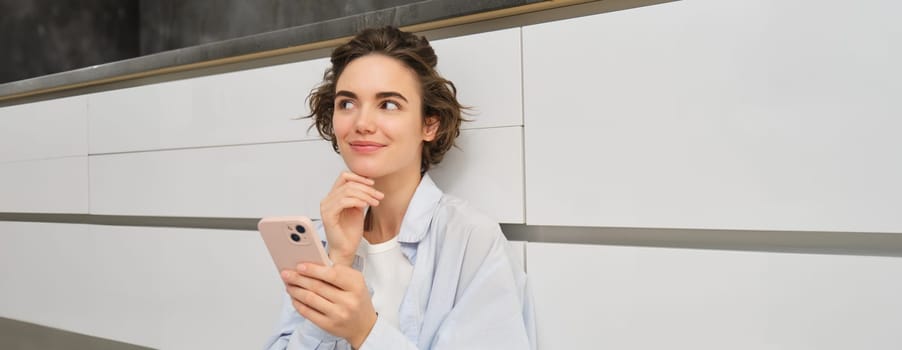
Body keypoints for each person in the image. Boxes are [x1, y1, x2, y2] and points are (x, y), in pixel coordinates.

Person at [265, 26, 535, 350]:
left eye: (389, 105)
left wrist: (366, 331)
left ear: (429, 124)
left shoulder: (470, 241)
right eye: (347, 104)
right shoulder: (322, 240)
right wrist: (338, 261)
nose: (361, 123)